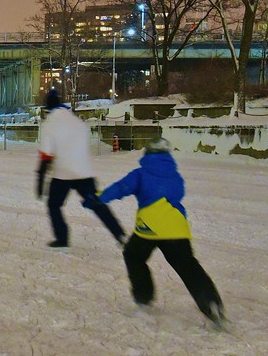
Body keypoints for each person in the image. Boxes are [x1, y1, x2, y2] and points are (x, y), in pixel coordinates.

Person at [84, 138, 226, 327]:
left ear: (147, 154)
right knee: (189, 267)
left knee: (133, 255)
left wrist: (98, 199)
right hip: (177, 229)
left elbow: (121, 188)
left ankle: (143, 298)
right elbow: (178, 194)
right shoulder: (175, 175)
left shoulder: (141, 174)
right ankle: (212, 305)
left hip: (150, 228)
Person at [36, 89, 125, 247]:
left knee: (54, 205)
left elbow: (46, 157)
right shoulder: (76, 121)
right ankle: (119, 233)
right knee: (97, 204)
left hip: (63, 174)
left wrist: (40, 180)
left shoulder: (50, 124)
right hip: (84, 172)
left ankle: (62, 238)